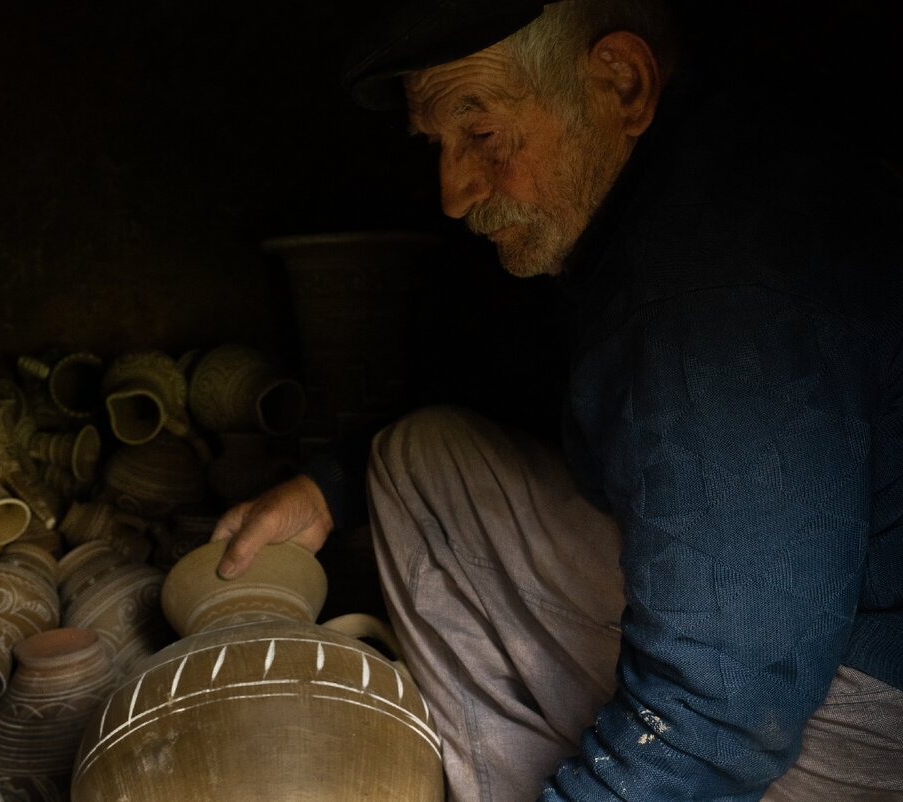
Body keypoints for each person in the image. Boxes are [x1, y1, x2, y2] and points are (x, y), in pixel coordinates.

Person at [210, 1, 903, 799]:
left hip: (864, 719)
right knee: (417, 459)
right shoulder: (690, 178)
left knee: (693, 711)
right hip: (825, 623)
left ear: (622, 82)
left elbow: (720, 714)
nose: (453, 192)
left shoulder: (716, 294)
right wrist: (331, 483)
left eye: (483, 137)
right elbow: (542, 381)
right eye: (438, 144)